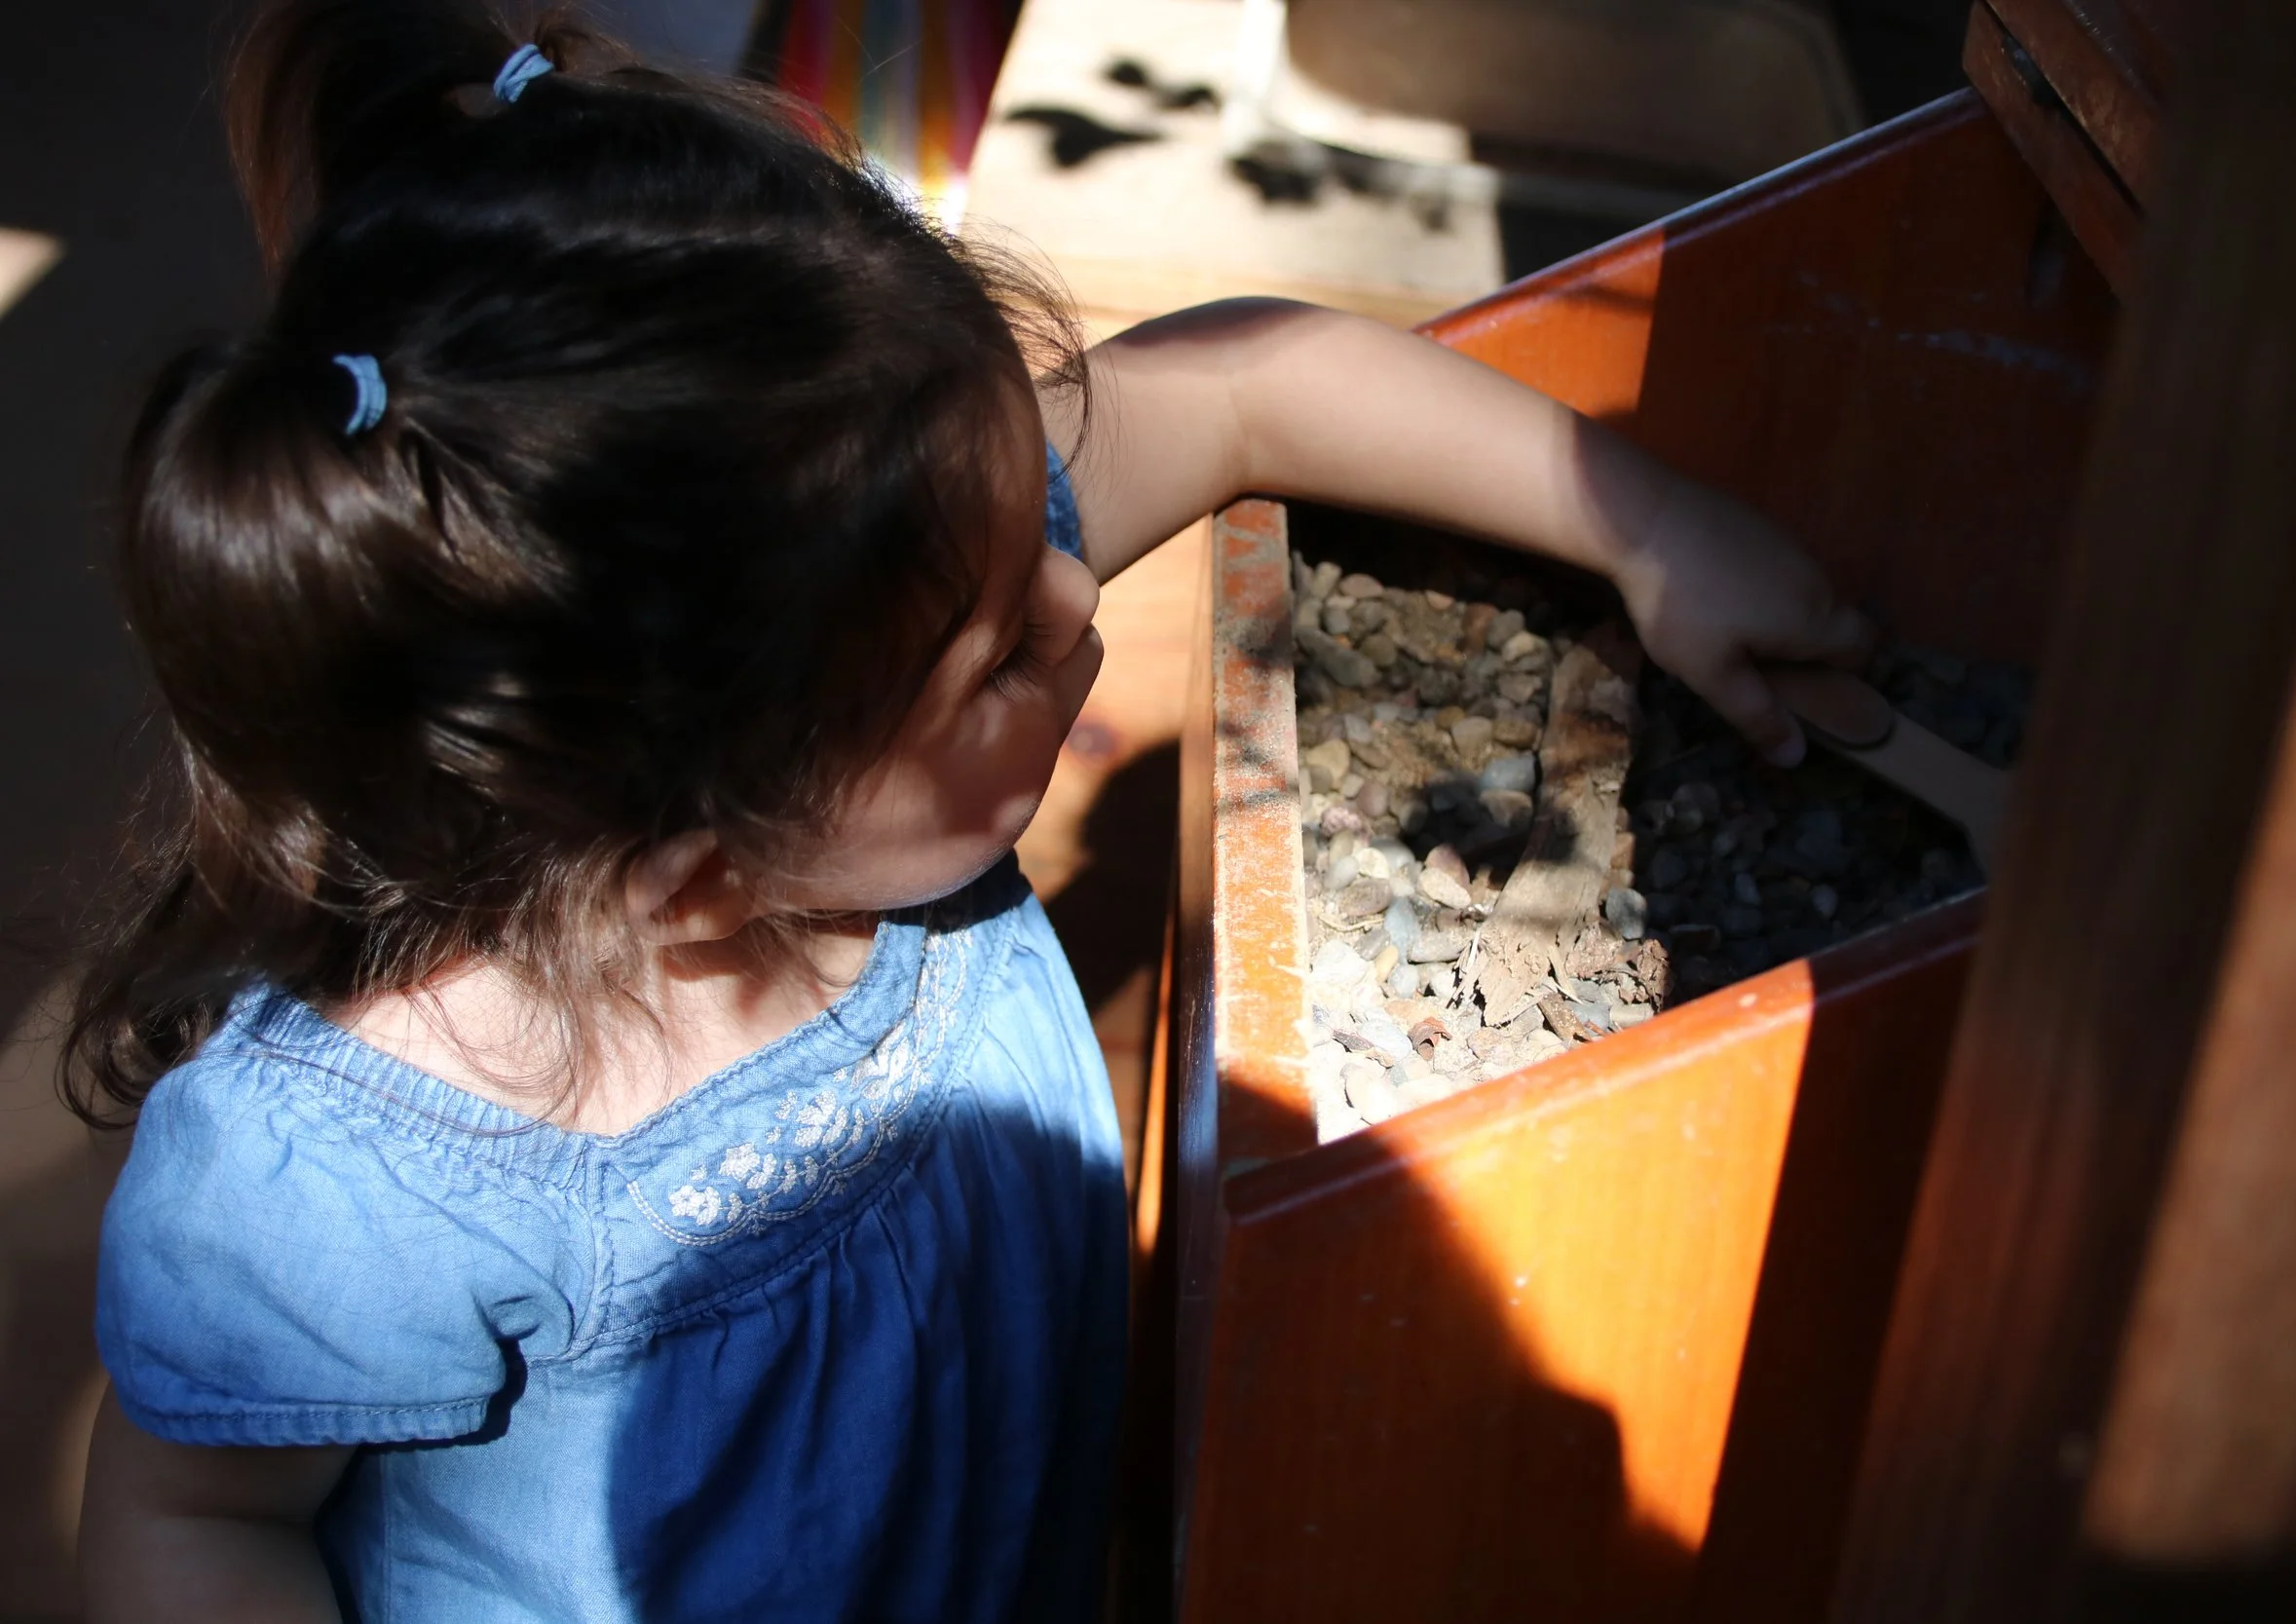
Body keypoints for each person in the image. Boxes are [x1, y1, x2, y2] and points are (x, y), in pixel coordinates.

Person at [70, 2, 1873, 1618]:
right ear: (700, 869)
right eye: (998, 654)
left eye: (1035, 546)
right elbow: (194, 1517)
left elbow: (1252, 382)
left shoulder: (878, 585)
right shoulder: (350, 1184)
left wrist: (1645, 527)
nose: (1079, 607)